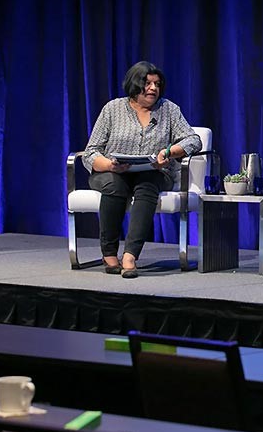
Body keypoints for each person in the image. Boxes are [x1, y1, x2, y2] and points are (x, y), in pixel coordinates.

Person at [83, 61, 202, 279]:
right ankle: (109, 253)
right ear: (134, 84)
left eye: (157, 84)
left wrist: (168, 152)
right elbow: (91, 152)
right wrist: (110, 165)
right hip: (111, 172)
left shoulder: (169, 110)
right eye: (147, 83)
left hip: (153, 172)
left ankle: (130, 256)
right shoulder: (112, 109)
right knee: (114, 185)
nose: (153, 88)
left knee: (147, 183)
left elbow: (194, 141)